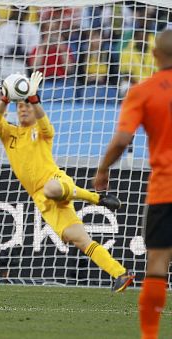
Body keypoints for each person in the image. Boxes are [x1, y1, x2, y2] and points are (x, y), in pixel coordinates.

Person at [0, 71, 134, 292]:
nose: (23, 109)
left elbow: (44, 122)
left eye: (26, 106)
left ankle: (96, 198)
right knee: (78, 239)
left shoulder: (42, 131)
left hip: (56, 182)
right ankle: (120, 274)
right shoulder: (10, 134)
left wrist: (33, 98)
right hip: (43, 200)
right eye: (20, 107)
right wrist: (5, 98)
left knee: (51, 188)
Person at [93, 30, 172, 339]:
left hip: (165, 189)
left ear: (153, 56)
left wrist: (102, 170)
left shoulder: (143, 91)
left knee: (157, 263)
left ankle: (150, 336)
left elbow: (123, 140)